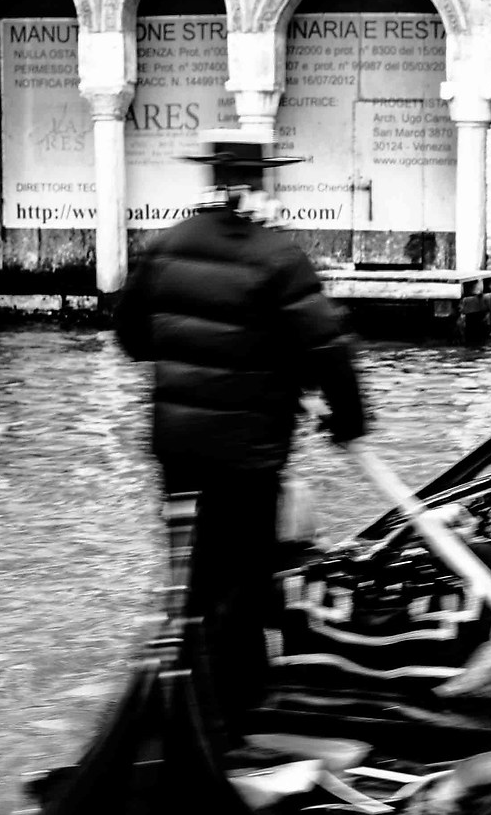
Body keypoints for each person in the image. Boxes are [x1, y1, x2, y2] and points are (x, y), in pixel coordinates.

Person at [114, 135, 370, 733]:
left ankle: (190, 698)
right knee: (244, 577)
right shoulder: (279, 256)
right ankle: (236, 709)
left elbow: (131, 338)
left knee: (192, 574)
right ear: (260, 184)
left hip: (178, 449)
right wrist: (349, 420)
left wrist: (191, 352)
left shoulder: (165, 245)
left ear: (212, 181)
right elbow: (329, 350)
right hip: (249, 452)